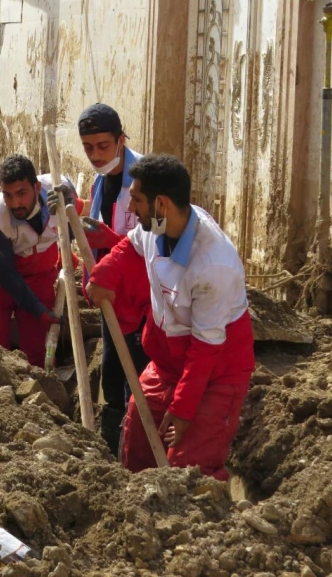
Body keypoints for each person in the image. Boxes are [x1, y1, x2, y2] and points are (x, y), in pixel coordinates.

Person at [86, 154, 255, 480]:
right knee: (137, 448)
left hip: (215, 375)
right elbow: (129, 249)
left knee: (188, 472)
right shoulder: (155, 227)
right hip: (166, 365)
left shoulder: (212, 264)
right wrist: (103, 276)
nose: (131, 208)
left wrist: (182, 410)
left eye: (136, 199)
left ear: (160, 204)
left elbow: (206, 350)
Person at [77, 103, 151, 454]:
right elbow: (97, 225)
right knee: (111, 368)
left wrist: (111, 241)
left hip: (141, 300)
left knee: (137, 371)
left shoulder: (144, 181)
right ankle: (109, 443)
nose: (95, 155)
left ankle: (134, 449)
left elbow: (154, 248)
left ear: (121, 140)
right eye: (88, 147)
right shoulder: (100, 180)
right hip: (111, 295)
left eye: (103, 146)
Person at [0, 155, 84, 367]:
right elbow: (4, 274)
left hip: (38, 272)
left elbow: (76, 228)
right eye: (8, 195)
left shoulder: (61, 191)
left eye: (22, 193)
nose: (15, 203)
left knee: (38, 352)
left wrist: (70, 211)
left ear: (37, 186)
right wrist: (36, 309)